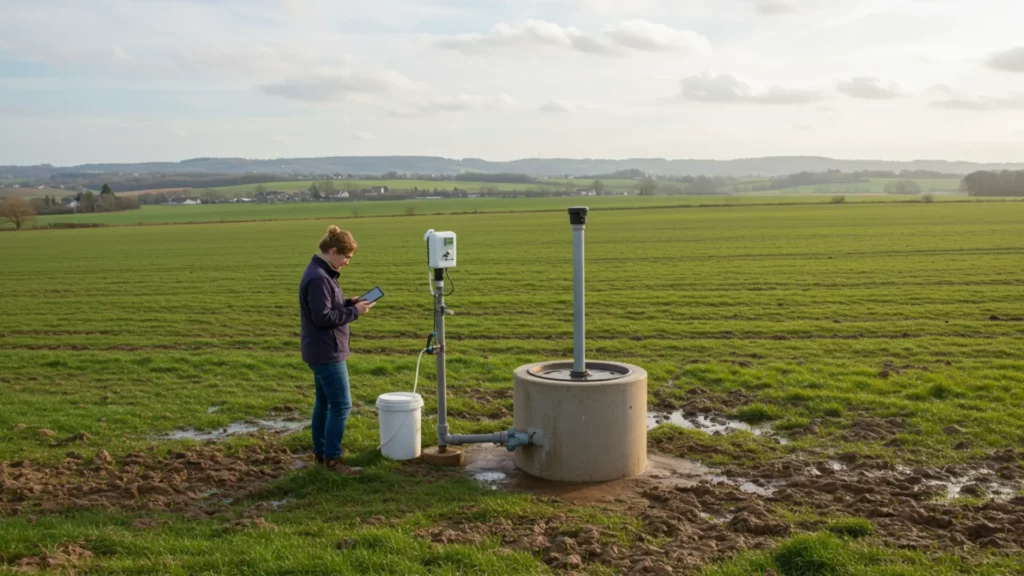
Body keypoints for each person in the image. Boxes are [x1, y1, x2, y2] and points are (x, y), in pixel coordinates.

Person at [299, 225, 374, 475]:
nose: (347, 263)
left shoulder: (321, 273)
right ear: (333, 251)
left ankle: (321, 454)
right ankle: (333, 461)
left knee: (323, 404)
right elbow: (323, 317)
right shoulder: (319, 278)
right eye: (346, 257)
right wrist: (355, 311)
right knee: (341, 406)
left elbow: (328, 307)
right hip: (327, 353)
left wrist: (347, 302)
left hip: (319, 351)